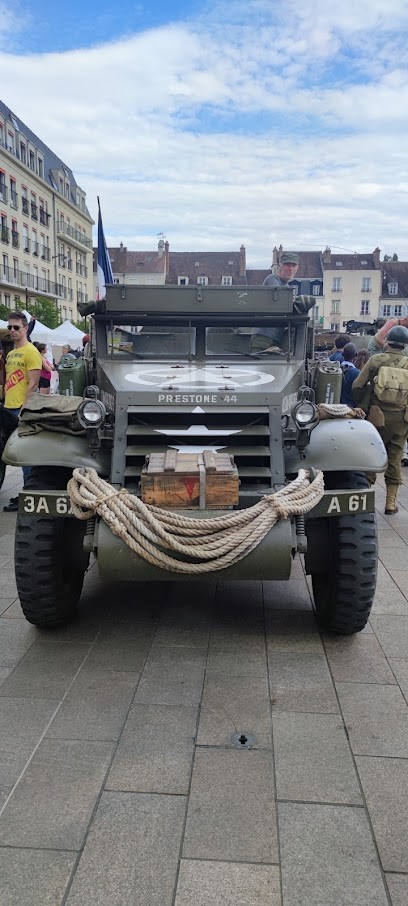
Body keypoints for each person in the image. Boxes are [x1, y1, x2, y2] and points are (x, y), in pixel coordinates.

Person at [352, 324, 408, 514]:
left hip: (376, 416)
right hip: (401, 418)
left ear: (388, 342)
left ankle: (365, 497)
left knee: (371, 455)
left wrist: (364, 403)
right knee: (395, 458)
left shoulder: (377, 360)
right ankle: (390, 504)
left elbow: (357, 386)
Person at [3, 312, 42, 512]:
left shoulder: (31, 351)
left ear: (26, 328)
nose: (12, 331)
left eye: (16, 327)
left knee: (24, 456)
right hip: (8, 407)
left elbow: (33, 383)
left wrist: (24, 410)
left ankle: (27, 496)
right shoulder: (10, 354)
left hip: (21, 409)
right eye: (10, 327)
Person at [251, 252, 304, 353]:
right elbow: (280, 301)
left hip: (277, 338)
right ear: (280, 266)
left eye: (294, 265)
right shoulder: (272, 279)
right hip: (263, 337)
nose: (291, 269)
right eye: (288, 265)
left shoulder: (287, 287)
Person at [340, 343, 359, 407]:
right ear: (356, 355)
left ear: (342, 354)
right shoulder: (357, 373)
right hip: (350, 409)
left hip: (334, 407)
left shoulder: (335, 370)